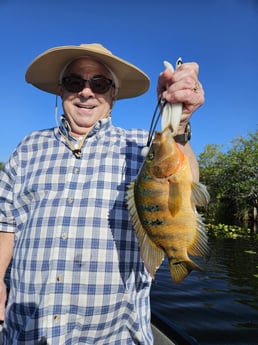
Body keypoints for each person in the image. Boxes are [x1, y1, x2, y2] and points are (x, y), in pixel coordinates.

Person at [0, 43, 204, 344]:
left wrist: (178, 115)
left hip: (113, 335)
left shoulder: (138, 146)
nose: (86, 92)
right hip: (26, 331)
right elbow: (6, 224)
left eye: (99, 83)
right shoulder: (29, 146)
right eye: (74, 82)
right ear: (61, 90)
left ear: (113, 94)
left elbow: (182, 181)